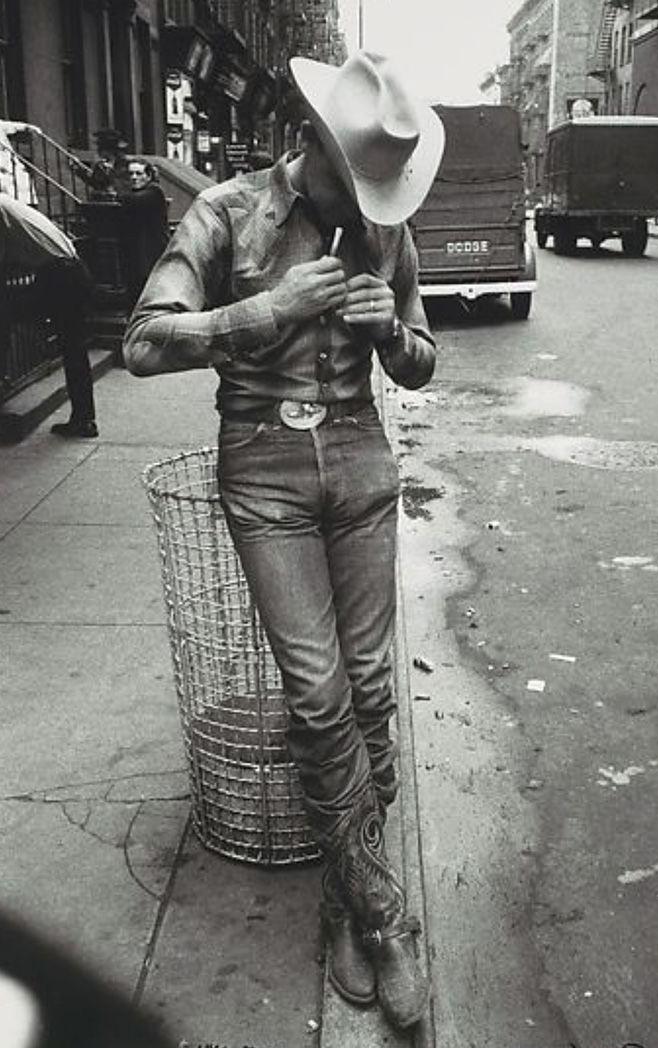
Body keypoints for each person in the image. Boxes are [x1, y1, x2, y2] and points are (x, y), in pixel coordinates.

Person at [123, 50, 444, 1030]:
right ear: (310, 143)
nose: (369, 203)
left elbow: (424, 362)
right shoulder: (224, 211)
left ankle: (353, 892)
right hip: (262, 468)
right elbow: (141, 340)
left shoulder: (386, 230)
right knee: (317, 693)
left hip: (359, 466)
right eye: (357, 180)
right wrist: (257, 314)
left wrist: (391, 330)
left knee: (375, 687)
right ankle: (382, 918)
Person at [0, 193, 97, 438]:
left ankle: (83, 420)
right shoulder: (7, 204)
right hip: (68, 270)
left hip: (60, 275)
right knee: (74, 348)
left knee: (8, 312)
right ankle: (84, 420)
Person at [118, 158, 169, 310]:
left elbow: (132, 201)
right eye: (131, 174)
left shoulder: (154, 192)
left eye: (138, 173)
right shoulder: (135, 193)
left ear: (148, 176)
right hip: (137, 256)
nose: (134, 177)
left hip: (151, 255)